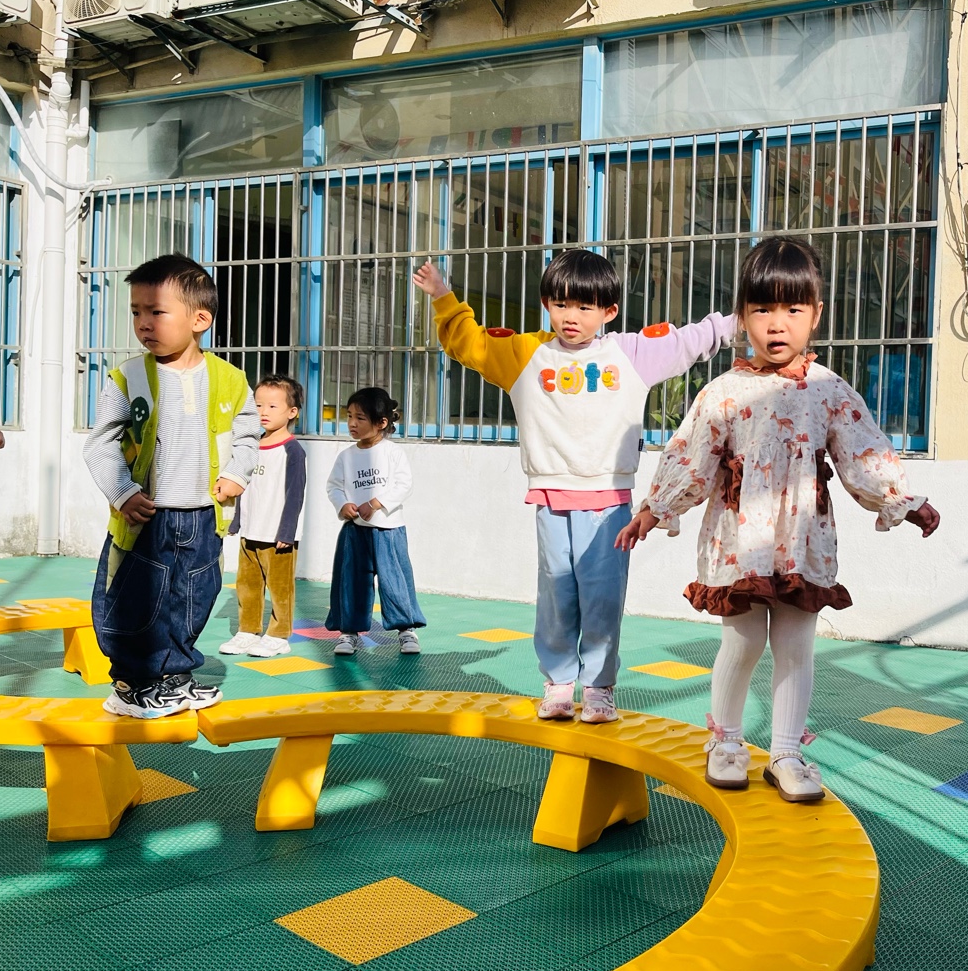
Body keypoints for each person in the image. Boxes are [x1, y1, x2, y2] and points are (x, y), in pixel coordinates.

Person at [616, 237, 940, 802]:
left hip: (801, 540)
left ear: (815, 315)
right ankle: (726, 741)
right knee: (742, 642)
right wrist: (655, 508)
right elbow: (691, 456)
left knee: (795, 645)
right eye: (762, 308)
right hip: (738, 541)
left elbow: (862, 450)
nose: (776, 323)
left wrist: (901, 499)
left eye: (792, 308)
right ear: (742, 317)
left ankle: (786, 752)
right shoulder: (723, 392)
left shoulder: (829, 389)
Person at [413, 250, 735, 724]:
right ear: (546, 303)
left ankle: (599, 688)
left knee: (602, 598)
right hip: (550, 500)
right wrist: (444, 297)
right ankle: (559, 683)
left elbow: (691, 340)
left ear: (609, 311)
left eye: (585, 307)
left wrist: (743, 319)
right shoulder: (524, 354)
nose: (571, 316)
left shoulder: (629, 354)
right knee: (557, 594)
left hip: (610, 503)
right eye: (561, 304)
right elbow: (470, 343)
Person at [83, 254, 259, 718]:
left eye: (156, 311)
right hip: (147, 517)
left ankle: (174, 677)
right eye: (136, 311)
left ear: (200, 319)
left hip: (203, 515)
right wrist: (123, 492)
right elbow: (100, 443)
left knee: (194, 597)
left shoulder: (230, 379)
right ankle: (131, 685)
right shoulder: (129, 377)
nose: (144, 322)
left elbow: (248, 435)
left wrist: (237, 473)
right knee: (135, 600)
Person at [324, 387, 425, 655]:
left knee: (396, 581)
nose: (352, 423)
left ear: (381, 423)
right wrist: (342, 504)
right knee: (351, 582)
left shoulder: (393, 452)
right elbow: (334, 486)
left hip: (389, 531)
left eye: (360, 418)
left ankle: (406, 630)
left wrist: (376, 503)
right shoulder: (346, 456)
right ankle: (348, 632)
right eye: (349, 416)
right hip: (355, 531)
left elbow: (404, 485)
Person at [221, 374, 306, 659]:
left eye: (272, 406)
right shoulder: (251, 445)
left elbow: (295, 494)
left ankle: (279, 635)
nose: (263, 412)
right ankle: (248, 631)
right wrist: (236, 521)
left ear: (292, 412)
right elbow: (243, 485)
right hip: (250, 531)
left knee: (280, 589)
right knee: (247, 585)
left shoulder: (292, 450)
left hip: (278, 535)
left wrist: (287, 532)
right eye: (258, 405)